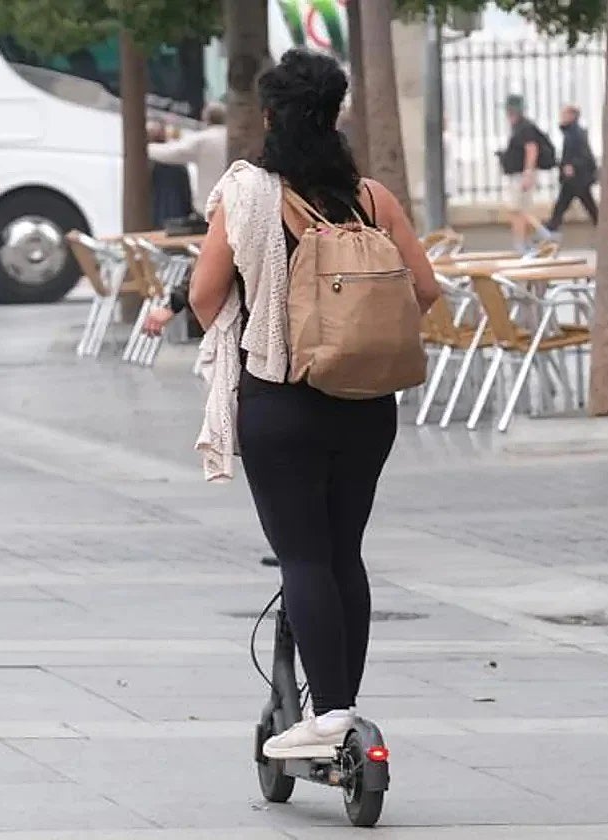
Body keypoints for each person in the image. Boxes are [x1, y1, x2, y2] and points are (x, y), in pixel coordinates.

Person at [187, 50, 440, 758]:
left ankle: (327, 718)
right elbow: (424, 290)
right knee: (344, 554)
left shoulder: (248, 195)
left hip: (282, 400)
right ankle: (344, 707)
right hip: (367, 404)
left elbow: (204, 299)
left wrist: (261, 298)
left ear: (269, 115)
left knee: (301, 556)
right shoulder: (371, 197)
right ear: (336, 114)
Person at [149, 102, 228, 217]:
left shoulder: (202, 140)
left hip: (210, 206)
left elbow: (171, 153)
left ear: (205, 118)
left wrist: (145, 147)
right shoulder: (235, 138)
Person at [497, 94, 553, 252]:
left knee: (517, 211)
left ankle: (524, 242)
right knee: (518, 210)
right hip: (519, 174)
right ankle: (539, 234)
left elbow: (531, 149)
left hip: (521, 175)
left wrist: (528, 173)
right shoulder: (520, 127)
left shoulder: (524, 127)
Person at [545, 105, 599, 233]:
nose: (561, 117)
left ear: (572, 116)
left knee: (585, 205)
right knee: (564, 205)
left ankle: (552, 228)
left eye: (564, 114)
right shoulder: (571, 132)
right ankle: (552, 227)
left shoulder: (576, 133)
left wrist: (571, 166)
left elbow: (584, 155)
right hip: (574, 178)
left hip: (577, 178)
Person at [147, 120, 194, 227]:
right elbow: (186, 194)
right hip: (177, 218)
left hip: (153, 218)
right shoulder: (178, 164)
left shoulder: (143, 164)